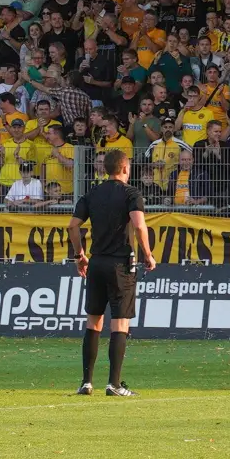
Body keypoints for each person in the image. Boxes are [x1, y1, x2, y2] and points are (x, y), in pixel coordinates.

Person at [67, 149, 155, 397]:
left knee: (93, 321)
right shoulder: (131, 194)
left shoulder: (92, 193)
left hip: (96, 263)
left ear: (105, 169)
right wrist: (148, 254)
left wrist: (79, 254)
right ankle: (114, 384)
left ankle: (86, 383)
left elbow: (73, 226)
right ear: (125, 168)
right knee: (120, 323)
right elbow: (138, 225)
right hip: (120, 265)